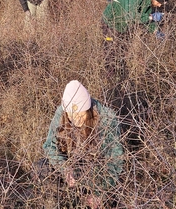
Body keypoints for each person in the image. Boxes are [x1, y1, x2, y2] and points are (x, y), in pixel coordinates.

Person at [41, 80, 124, 208]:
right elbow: (49, 146)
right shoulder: (62, 112)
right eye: (72, 115)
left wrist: (98, 194)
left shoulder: (106, 118)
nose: (76, 119)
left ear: (88, 108)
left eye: (80, 114)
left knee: (111, 201)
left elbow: (115, 160)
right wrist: (65, 169)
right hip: (72, 165)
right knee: (41, 167)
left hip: (97, 171)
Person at [102, 0, 173, 41]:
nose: (159, 5)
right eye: (159, 2)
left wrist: (156, 31)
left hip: (122, 27)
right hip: (110, 23)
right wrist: (151, 17)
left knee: (123, 50)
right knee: (111, 51)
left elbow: (146, 20)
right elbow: (130, 16)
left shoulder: (149, 1)